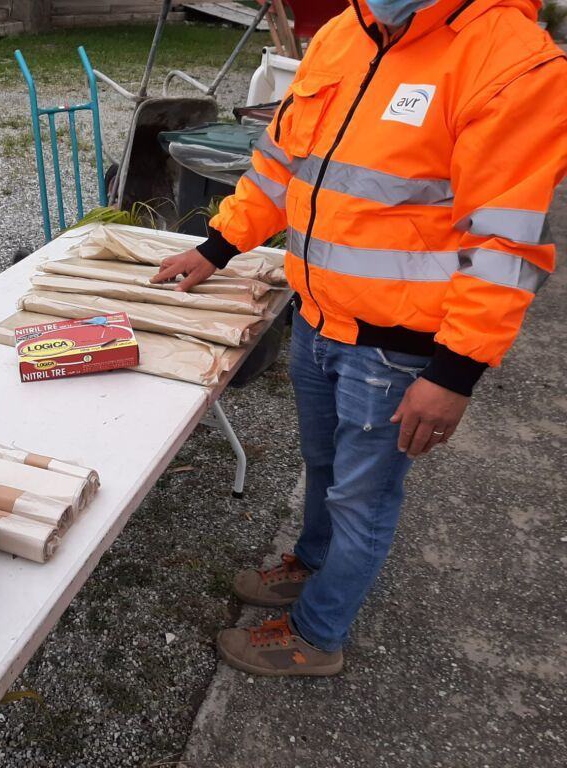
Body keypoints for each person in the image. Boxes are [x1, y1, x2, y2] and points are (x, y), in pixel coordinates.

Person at [153, 0, 567, 676]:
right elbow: (280, 167)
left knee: (362, 496)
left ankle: (316, 637)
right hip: (317, 319)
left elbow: (503, 242)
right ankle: (312, 565)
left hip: (398, 347)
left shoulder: (515, 60)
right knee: (323, 465)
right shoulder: (346, 34)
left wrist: (455, 372)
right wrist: (217, 246)